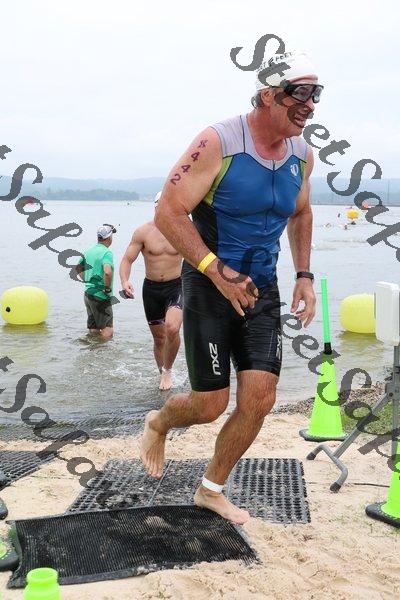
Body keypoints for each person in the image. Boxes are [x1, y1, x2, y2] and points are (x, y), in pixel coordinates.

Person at [140, 50, 318, 524]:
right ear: (269, 94)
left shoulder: (303, 153)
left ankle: (211, 488)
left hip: (261, 288)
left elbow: (301, 212)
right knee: (209, 405)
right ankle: (158, 421)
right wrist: (216, 270)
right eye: (301, 93)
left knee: (260, 398)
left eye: (316, 94)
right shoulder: (218, 141)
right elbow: (168, 212)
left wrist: (304, 274)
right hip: (208, 283)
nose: (310, 104)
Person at [119, 193, 183, 390]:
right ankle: (161, 372)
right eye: (160, 206)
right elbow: (127, 260)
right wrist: (125, 281)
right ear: (155, 207)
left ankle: (168, 371)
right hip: (152, 289)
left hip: (176, 286)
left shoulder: (183, 231)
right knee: (159, 339)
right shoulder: (143, 232)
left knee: (172, 328)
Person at [77, 224, 116, 341]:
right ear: (109, 237)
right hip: (100, 296)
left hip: (88, 294)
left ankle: (94, 349)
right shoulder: (106, 253)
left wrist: (87, 280)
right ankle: (103, 351)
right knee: (107, 330)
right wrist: (107, 288)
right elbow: (107, 272)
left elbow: (78, 268)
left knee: (94, 329)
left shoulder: (89, 251)